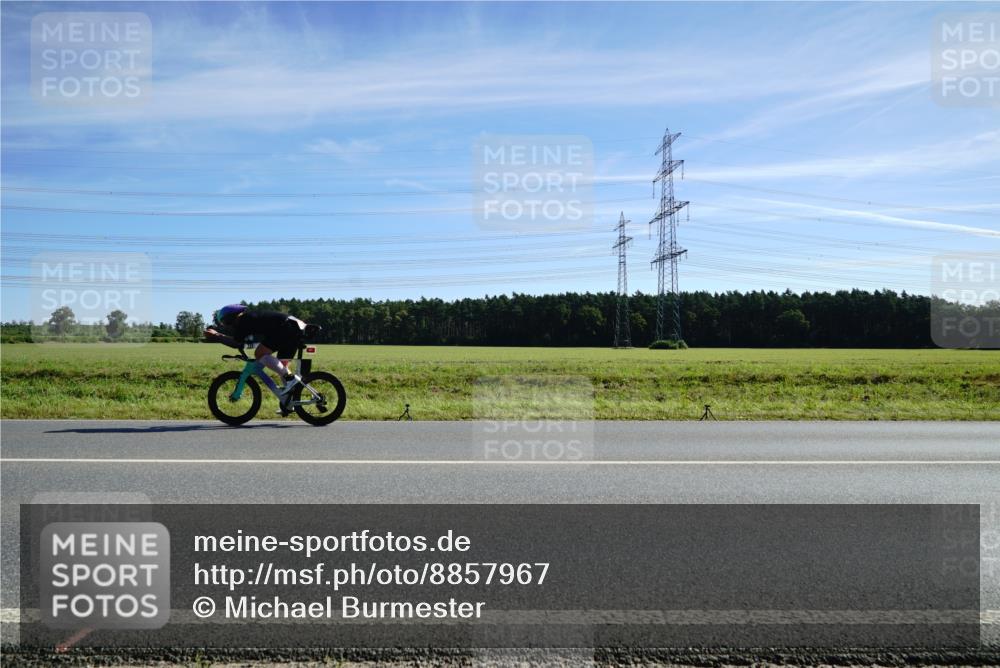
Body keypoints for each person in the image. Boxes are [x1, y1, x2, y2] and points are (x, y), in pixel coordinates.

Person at [204, 304, 307, 408]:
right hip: (294, 327)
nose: (225, 325)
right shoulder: (249, 318)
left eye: (224, 322)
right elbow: (245, 342)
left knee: (259, 354)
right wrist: (219, 336)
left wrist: (216, 336)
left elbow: (236, 343)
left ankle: (291, 379)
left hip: (286, 328)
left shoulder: (243, 321)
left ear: (229, 318)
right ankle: (290, 401)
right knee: (282, 366)